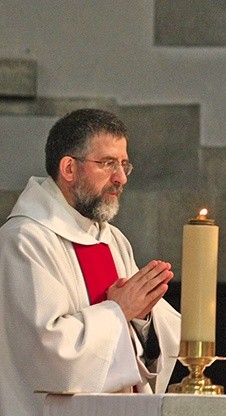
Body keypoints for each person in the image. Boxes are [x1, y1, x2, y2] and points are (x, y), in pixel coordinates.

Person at [0, 109, 181, 416]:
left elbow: (159, 340)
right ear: (69, 168)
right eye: (108, 163)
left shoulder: (111, 239)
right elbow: (48, 354)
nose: (120, 178)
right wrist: (119, 311)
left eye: (124, 165)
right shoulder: (24, 241)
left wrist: (143, 316)